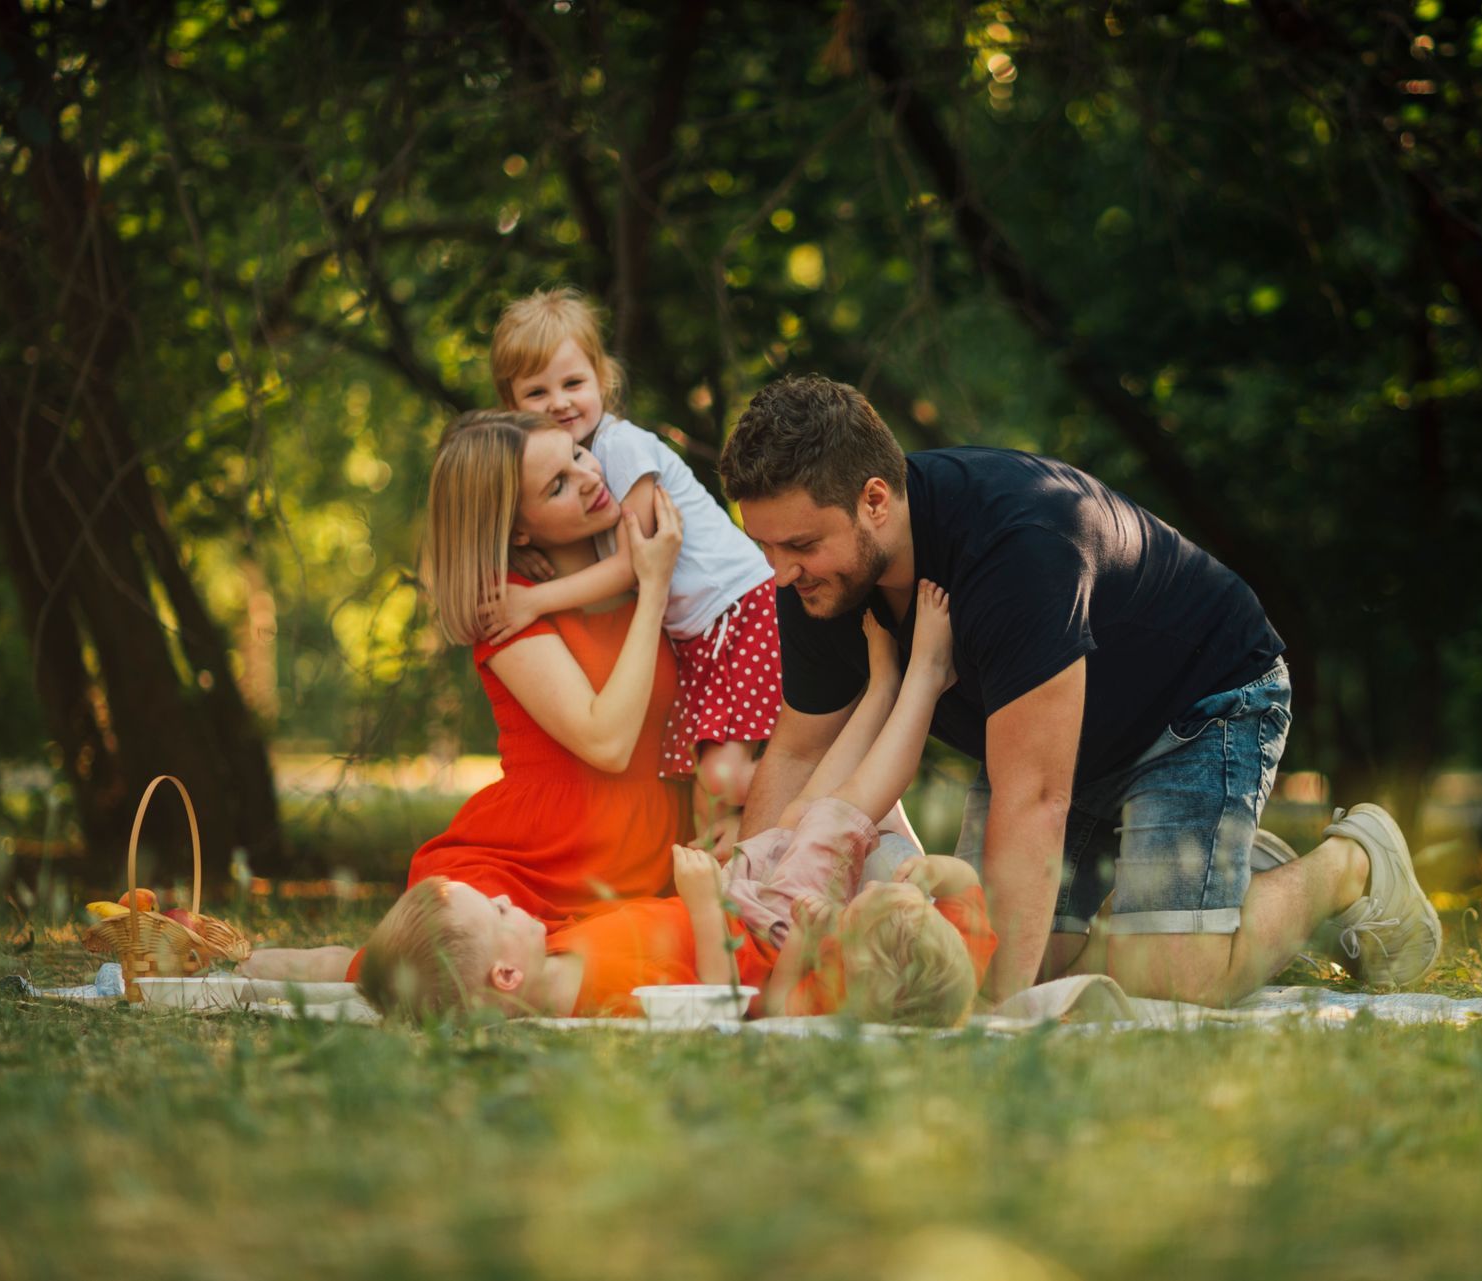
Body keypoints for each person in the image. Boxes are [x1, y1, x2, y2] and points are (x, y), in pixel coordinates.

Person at [715, 373, 1441, 1007]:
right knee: (1005, 958)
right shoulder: (818, 584)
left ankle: (1351, 863)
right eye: (766, 547)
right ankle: (1224, 885)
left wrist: (996, 1016)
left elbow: (1037, 799)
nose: (780, 573)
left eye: (800, 546)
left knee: (1169, 979)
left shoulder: (1015, 550)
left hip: (1200, 705)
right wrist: (742, 939)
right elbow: (802, 754)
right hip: (1051, 744)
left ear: (875, 500)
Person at [355, 582, 995, 1026]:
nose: (503, 897)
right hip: (766, 932)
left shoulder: (556, 958)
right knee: (837, 813)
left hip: (744, 901)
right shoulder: (605, 1001)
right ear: (505, 977)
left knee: (805, 812)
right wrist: (703, 907)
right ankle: (922, 679)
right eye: (496, 909)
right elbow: (719, 1010)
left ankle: (881, 686)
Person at [240, 409, 692, 982]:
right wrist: (652, 588)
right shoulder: (507, 606)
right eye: (556, 486)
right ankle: (282, 966)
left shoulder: (647, 563)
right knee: (470, 977)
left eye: (578, 454)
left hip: (637, 856)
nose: (588, 477)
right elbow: (606, 741)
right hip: (527, 867)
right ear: (518, 530)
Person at [486, 287, 780, 849]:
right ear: (511, 406)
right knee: (708, 796)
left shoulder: (621, 447)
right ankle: (725, 894)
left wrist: (534, 600)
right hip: (702, 634)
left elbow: (636, 567)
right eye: (536, 392)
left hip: (739, 611)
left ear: (602, 380)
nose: (559, 403)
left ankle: (823, 779)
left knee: (721, 779)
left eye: (573, 384)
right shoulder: (581, 465)